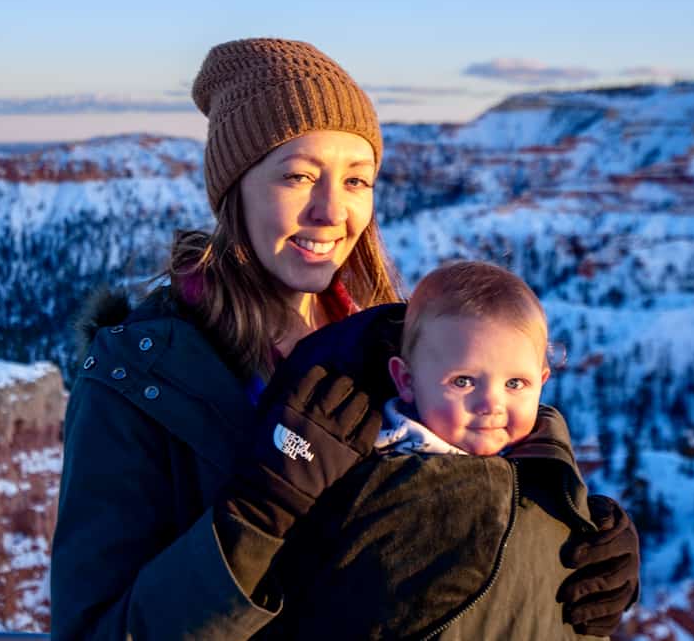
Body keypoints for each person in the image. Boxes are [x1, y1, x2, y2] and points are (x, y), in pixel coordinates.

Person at [50, 38, 639, 639]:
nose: (332, 211)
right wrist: (257, 516)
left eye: (357, 181)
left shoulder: (390, 345)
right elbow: (96, 630)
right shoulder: (139, 383)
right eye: (300, 175)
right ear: (235, 189)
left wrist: (563, 525)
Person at [258, 260, 613, 639]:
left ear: (542, 381)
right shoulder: (370, 471)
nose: (491, 404)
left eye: (515, 383)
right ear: (406, 380)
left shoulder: (546, 469)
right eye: (463, 381)